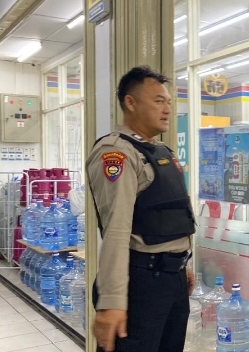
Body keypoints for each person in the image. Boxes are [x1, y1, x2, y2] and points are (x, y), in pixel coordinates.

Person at [86, 66, 196, 352]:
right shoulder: (117, 153)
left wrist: (183, 264)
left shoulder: (163, 152)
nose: (167, 109)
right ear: (130, 102)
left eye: (169, 102)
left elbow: (175, 214)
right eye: (159, 101)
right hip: (141, 282)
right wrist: (111, 302)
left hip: (172, 280)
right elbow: (116, 230)